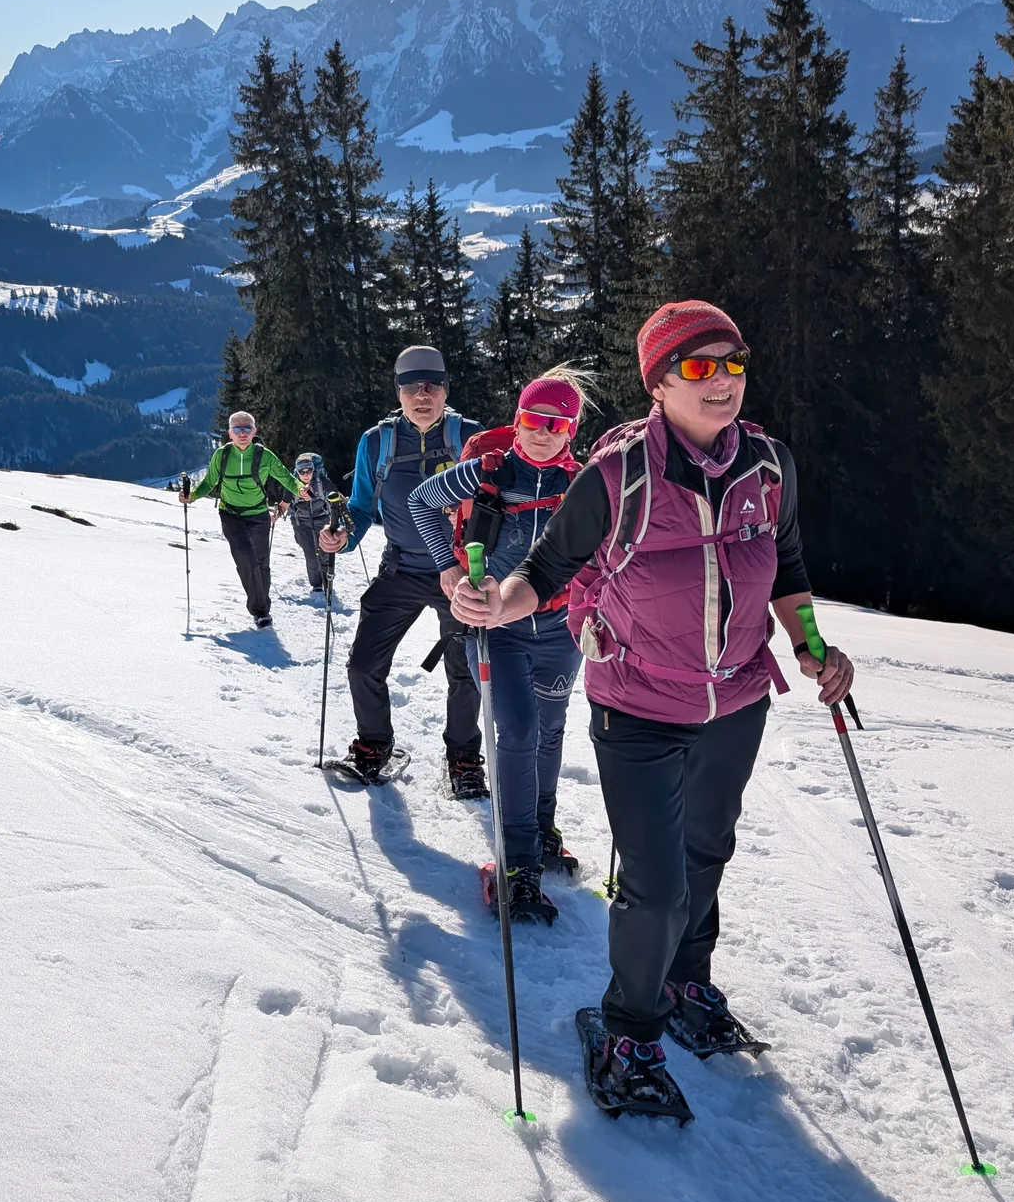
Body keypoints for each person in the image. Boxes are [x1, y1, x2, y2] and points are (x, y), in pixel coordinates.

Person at [450, 300, 855, 1116]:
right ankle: (627, 1024)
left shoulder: (769, 466)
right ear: (660, 382)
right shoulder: (617, 473)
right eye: (700, 367)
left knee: (707, 853)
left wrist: (810, 645)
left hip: (737, 698)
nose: (723, 381)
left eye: (733, 362)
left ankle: (686, 980)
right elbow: (550, 562)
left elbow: (788, 564)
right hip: (638, 704)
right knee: (657, 886)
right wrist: (504, 604)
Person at [410, 368, 589, 924]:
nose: (543, 432)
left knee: (552, 731)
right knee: (517, 731)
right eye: (534, 419)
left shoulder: (585, 485)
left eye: (556, 423)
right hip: (495, 629)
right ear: (518, 421)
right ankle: (515, 859)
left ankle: (540, 828)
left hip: (562, 631)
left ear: (572, 430)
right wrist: (448, 569)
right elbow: (421, 502)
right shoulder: (488, 471)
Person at [317, 346, 483, 786]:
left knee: (465, 670)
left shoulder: (469, 437)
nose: (422, 394)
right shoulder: (377, 442)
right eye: (412, 386)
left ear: (445, 389)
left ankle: (464, 760)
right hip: (402, 569)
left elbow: (492, 503)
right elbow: (360, 507)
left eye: (432, 385)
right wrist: (342, 537)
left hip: (460, 573)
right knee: (363, 664)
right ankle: (375, 744)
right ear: (399, 392)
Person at [181, 411, 300, 629]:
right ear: (230, 433)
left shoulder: (265, 456)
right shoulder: (222, 455)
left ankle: (262, 607)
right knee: (245, 558)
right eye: (237, 428)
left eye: (247, 428)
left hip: (259, 515)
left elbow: (286, 477)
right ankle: (260, 610)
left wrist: (302, 489)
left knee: (261, 563)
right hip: (231, 514)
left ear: (254, 432)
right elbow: (209, 482)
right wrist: (193, 496)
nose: (242, 432)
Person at [286, 452, 349, 596]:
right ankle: (316, 585)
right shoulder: (292, 483)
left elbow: (334, 495)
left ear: (314, 470)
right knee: (311, 555)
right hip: (301, 523)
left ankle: (327, 584)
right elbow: (286, 501)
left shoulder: (321, 481)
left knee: (325, 553)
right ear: (297, 471)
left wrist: (343, 508)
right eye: (302, 471)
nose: (306, 474)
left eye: (309, 470)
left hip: (321, 520)